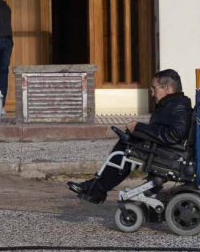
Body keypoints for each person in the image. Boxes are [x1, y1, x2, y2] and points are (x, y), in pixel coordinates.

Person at [68, 69, 192, 204]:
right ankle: (96, 187)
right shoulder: (173, 103)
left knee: (124, 149)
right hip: (163, 149)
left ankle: (96, 188)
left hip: (168, 154)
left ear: (167, 88)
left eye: (154, 89)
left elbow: (174, 135)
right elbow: (165, 130)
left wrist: (141, 127)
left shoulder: (177, 105)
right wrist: (140, 128)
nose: (152, 94)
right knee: (126, 141)